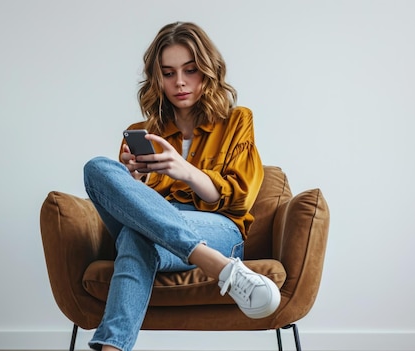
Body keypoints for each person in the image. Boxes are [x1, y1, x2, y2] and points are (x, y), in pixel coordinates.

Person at [82, 21, 280, 351]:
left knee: (135, 237)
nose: (180, 82)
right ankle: (215, 265)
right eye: (169, 73)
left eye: (190, 70)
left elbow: (240, 199)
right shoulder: (140, 131)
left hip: (219, 230)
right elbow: (131, 203)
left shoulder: (236, 121)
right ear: (157, 78)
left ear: (208, 70)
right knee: (97, 169)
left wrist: (185, 171)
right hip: (163, 227)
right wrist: (135, 181)